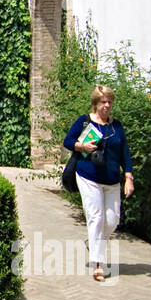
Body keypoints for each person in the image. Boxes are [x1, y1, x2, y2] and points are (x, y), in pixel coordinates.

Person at [63, 85, 134, 282]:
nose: (107, 105)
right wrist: (81, 146)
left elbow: (124, 153)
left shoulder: (116, 126)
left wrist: (128, 177)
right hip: (88, 176)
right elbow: (67, 141)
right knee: (96, 217)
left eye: (110, 101)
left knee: (112, 221)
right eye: (103, 102)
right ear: (95, 104)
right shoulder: (84, 121)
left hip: (111, 180)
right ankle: (98, 264)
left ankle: (92, 242)